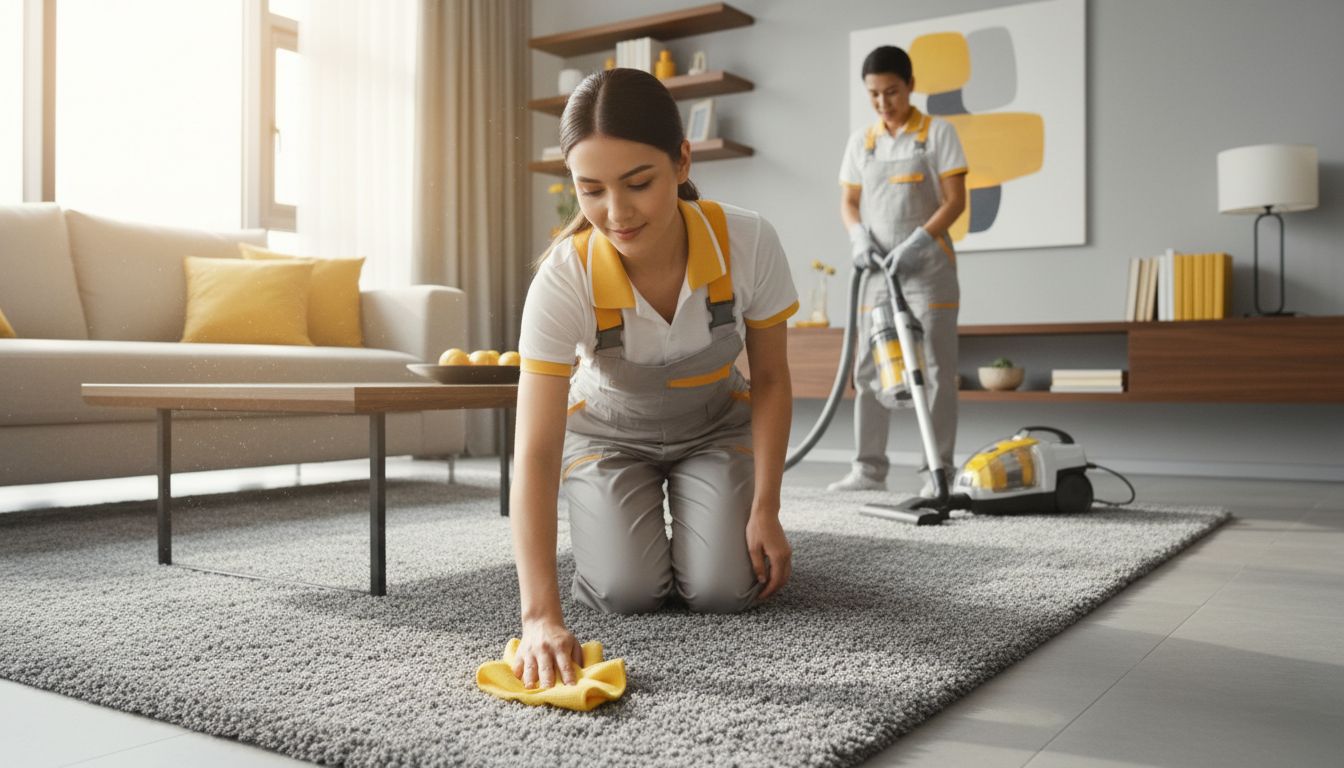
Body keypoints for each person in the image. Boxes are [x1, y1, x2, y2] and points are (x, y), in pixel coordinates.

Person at [508, 68, 799, 690]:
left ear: (682, 160)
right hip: (608, 439)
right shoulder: (563, 279)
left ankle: (712, 529)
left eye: (638, 183)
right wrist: (539, 617)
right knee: (626, 591)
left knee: (724, 590)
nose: (616, 213)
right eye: (591, 190)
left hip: (715, 430)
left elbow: (772, 380)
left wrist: (766, 508)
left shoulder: (748, 241)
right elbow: (534, 450)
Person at [829, 45, 968, 495]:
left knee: (936, 371)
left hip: (928, 269)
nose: (882, 102)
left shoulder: (938, 133)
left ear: (910, 86)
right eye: (873, 94)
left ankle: (937, 471)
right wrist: (858, 237)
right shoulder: (862, 142)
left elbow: (955, 201)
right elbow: (849, 202)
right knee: (868, 369)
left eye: (891, 92)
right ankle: (869, 471)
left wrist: (917, 242)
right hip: (877, 271)